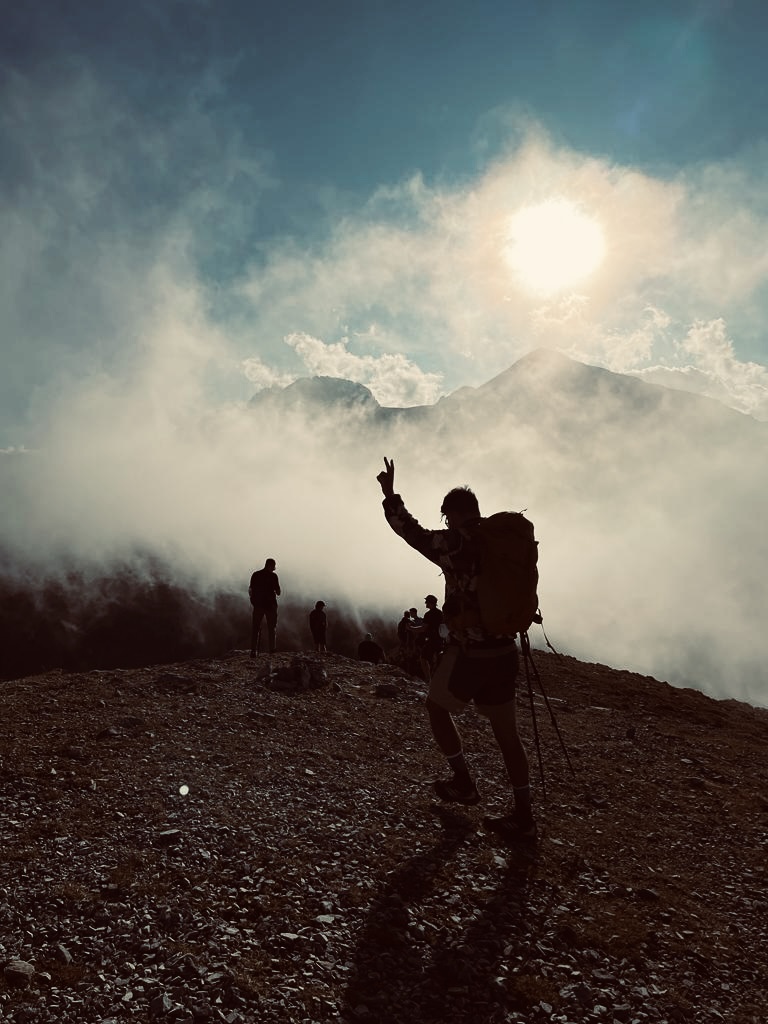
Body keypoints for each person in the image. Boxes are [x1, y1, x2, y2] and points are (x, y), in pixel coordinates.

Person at [376, 456, 536, 843]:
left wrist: (390, 496)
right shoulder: (502, 544)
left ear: (453, 515)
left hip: (471, 654)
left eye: (447, 517)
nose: (446, 523)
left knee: (436, 707)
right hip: (504, 651)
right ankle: (524, 814)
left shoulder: (458, 543)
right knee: (508, 735)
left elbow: (412, 534)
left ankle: (464, 782)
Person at [408, 594, 445, 681]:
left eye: (426, 602)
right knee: (437, 660)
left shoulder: (428, 614)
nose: (425, 603)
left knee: (423, 658)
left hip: (432, 640)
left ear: (430, 603)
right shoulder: (440, 613)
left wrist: (411, 628)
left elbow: (423, 628)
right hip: (441, 639)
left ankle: (429, 679)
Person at [249, 558, 281, 656]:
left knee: (256, 628)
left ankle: (254, 650)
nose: (275, 568)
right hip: (270, 605)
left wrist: (253, 602)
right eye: (274, 566)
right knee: (272, 628)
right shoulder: (273, 576)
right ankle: (272, 649)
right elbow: (278, 592)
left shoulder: (256, 574)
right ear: (271, 565)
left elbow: (251, 590)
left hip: (258, 605)